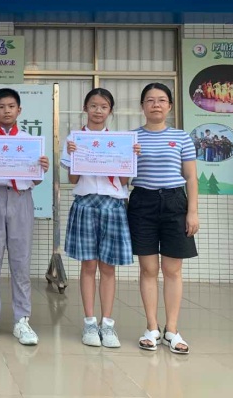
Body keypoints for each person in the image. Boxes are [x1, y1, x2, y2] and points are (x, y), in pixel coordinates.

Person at [0, 88, 50, 345]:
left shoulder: (29, 141)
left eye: (11, 106)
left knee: (21, 261)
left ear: (19, 110)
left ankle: (22, 320)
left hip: (20, 198)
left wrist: (42, 168)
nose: (6, 110)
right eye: (1, 107)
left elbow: (36, 179)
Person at [61, 88, 139, 348]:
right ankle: (89, 323)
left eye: (104, 106)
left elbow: (124, 181)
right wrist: (74, 154)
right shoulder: (75, 139)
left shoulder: (121, 141)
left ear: (110, 111)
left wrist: (130, 156)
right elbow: (73, 178)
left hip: (113, 204)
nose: (98, 110)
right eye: (93, 105)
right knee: (88, 265)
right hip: (85, 202)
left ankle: (107, 324)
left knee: (108, 267)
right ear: (85, 108)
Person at [128, 83, 198, 354]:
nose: (155, 104)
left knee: (172, 270)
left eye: (161, 100)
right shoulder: (131, 138)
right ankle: (151, 328)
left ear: (169, 106)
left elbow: (191, 177)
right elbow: (123, 177)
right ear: (142, 106)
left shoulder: (181, 137)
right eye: (150, 100)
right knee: (148, 269)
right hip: (142, 203)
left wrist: (192, 211)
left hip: (174, 203)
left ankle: (172, 330)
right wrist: (128, 158)